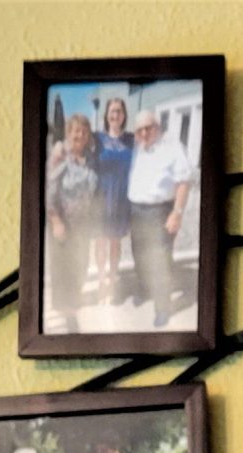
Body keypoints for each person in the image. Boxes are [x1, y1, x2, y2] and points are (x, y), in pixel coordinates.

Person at [123, 107, 194, 330]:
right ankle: (145, 291)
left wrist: (177, 213)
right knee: (139, 255)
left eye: (148, 128)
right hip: (136, 211)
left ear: (158, 127)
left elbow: (184, 181)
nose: (144, 133)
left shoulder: (172, 148)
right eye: (140, 130)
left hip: (160, 212)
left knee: (161, 261)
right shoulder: (137, 149)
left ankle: (162, 308)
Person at [43, 112, 103, 334]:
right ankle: (66, 314)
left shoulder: (90, 160)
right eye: (76, 130)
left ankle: (73, 300)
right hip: (63, 222)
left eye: (85, 131)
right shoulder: (61, 157)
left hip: (83, 224)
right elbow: (50, 191)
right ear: (69, 133)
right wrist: (56, 221)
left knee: (82, 264)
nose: (81, 135)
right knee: (63, 268)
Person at [92, 97, 133, 305]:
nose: (115, 115)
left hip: (121, 198)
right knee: (100, 241)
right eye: (112, 111)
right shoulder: (97, 139)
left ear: (124, 115)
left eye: (119, 111)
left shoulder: (131, 140)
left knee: (115, 242)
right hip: (101, 197)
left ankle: (113, 279)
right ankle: (101, 281)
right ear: (106, 115)